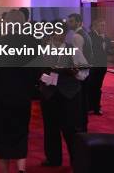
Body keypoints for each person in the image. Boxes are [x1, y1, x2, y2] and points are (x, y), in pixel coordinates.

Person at [0, 10, 39, 173]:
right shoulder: (33, 42)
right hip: (22, 97)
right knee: (21, 132)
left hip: (2, 96)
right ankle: (21, 169)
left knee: (2, 133)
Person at [40, 22, 89, 168]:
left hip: (69, 95)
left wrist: (76, 73)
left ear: (65, 34)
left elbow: (85, 72)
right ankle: (53, 159)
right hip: (49, 94)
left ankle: (76, 161)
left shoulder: (73, 50)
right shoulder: (43, 50)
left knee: (70, 130)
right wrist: (44, 78)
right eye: (54, 31)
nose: (57, 34)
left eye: (60, 32)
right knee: (50, 129)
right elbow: (36, 72)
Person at [87, 18, 109, 115]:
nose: (103, 27)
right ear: (95, 26)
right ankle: (92, 106)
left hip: (102, 66)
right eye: (101, 25)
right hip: (93, 66)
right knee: (92, 87)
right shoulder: (90, 36)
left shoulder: (106, 38)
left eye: (104, 25)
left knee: (97, 87)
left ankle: (96, 107)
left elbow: (109, 51)